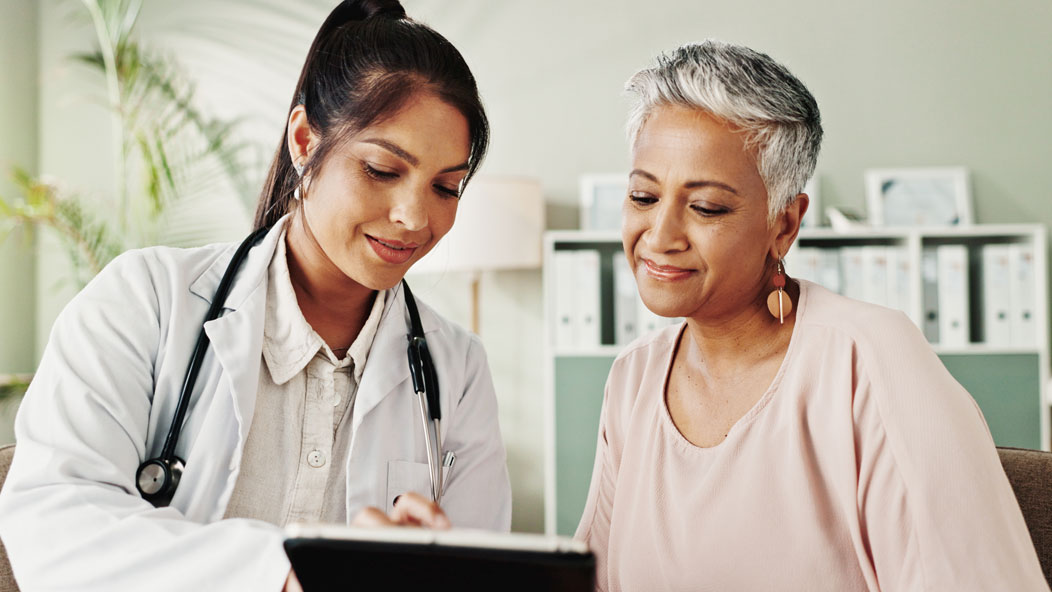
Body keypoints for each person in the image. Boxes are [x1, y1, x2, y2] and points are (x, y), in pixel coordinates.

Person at [0, 1, 511, 590]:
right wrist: (294, 573)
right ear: (303, 140)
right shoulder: (144, 302)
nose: (414, 216)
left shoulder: (458, 369)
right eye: (381, 170)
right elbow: (54, 527)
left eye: (447, 187)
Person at [575, 40, 1047, 591]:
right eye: (642, 197)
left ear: (784, 224)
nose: (660, 236)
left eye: (706, 207)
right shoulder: (632, 379)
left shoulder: (870, 360)